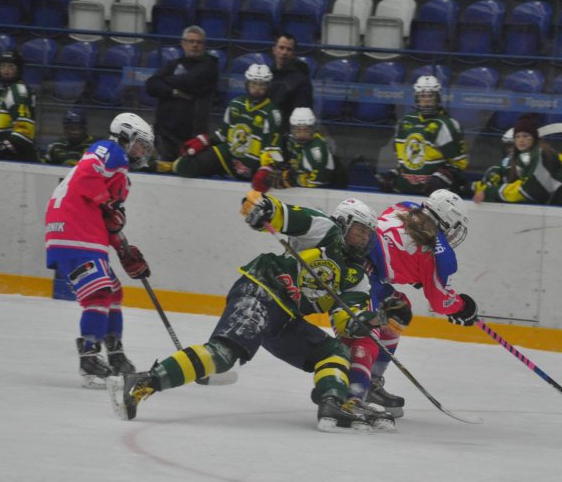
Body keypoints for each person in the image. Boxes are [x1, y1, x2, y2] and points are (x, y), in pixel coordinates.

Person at [108, 192, 397, 434]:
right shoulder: (325, 229)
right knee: (223, 355)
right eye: (360, 231)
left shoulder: (357, 277)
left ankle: (332, 402)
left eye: (368, 235)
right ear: (344, 224)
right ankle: (143, 381)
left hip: (285, 319)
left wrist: (378, 318)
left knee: (334, 352)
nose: (364, 239)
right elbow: (281, 214)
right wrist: (262, 206)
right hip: (262, 290)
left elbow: (347, 324)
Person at [44, 113, 156, 388]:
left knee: (113, 291)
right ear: (125, 136)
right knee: (99, 293)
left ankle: (114, 353)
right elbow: (86, 179)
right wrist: (107, 206)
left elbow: (109, 221)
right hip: (73, 230)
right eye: (140, 145)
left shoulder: (121, 174)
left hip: (82, 231)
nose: (142, 152)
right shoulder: (109, 150)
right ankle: (90, 357)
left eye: (145, 148)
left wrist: (124, 251)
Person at [343, 189, 479, 414]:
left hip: (362, 263)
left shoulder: (405, 206)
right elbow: (440, 302)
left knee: (398, 310)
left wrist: (415, 274)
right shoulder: (440, 254)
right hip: (361, 273)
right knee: (368, 332)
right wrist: (463, 307)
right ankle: (353, 397)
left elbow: (393, 246)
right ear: (446, 221)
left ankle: (371, 381)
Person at [173, 63, 282, 181]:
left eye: (262, 85)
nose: (257, 88)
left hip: (252, 167)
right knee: (185, 165)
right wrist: (205, 140)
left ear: (268, 86)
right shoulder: (236, 104)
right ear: (247, 84)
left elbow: (272, 148)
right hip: (228, 157)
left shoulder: (272, 113)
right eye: (253, 83)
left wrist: (266, 168)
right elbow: (222, 134)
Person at [473, 114, 562, 207]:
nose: (521, 140)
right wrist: (475, 188)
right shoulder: (526, 156)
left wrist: (489, 192)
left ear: (534, 138)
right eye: (517, 137)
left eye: (526, 136)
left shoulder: (539, 155)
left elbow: (528, 192)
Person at [379, 75, 469, 197]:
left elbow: (458, 163)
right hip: (403, 191)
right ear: (417, 98)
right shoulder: (405, 122)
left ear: (437, 98)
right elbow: (405, 160)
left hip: (433, 195)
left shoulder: (447, 125)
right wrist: (394, 173)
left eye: (430, 96)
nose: (426, 100)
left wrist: (441, 178)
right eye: (423, 96)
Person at [145, 26, 219, 162]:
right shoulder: (172, 64)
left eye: (199, 42)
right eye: (191, 41)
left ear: (204, 45)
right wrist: (173, 92)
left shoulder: (210, 66)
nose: (195, 45)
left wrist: (164, 81)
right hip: (166, 133)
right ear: (183, 43)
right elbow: (151, 85)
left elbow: (191, 81)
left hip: (194, 136)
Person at [252, 107, 346, 192]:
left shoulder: (317, 150)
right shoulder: (289, 140)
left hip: (326, 192)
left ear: (312, 129)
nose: (301, 135)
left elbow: (318, 181)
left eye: (306, 130)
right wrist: (271, 169)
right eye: (297, 130)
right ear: (291, 129)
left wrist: (289, 180)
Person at [0, 50, 37, 162]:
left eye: (11, 66)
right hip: (1, 153)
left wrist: (4, 147)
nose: (6, 70)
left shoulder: (19, 91)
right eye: (3, 66)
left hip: (18, 156)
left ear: (18, 69)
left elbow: (25, 130)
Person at [267, 33, 313, 131]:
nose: (284, 52)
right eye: (281, 48)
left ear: (293, 54)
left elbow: (302, 113)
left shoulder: (302, 80)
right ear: (274, 50)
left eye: (289, 49)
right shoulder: (266, 74)